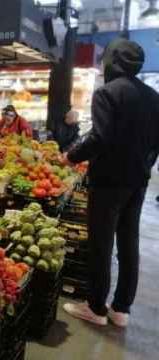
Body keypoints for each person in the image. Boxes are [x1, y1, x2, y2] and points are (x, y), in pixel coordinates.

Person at [62, 38, 159, 327]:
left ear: (112, 61)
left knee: (100, 243)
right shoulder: (153, 97)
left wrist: (71, 157)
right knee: (129, 242)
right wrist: (144, 166)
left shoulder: (107, 93)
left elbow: (99, 137)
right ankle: (121, 309)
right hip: (137, 180)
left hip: (108, 181)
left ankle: (95, 307)